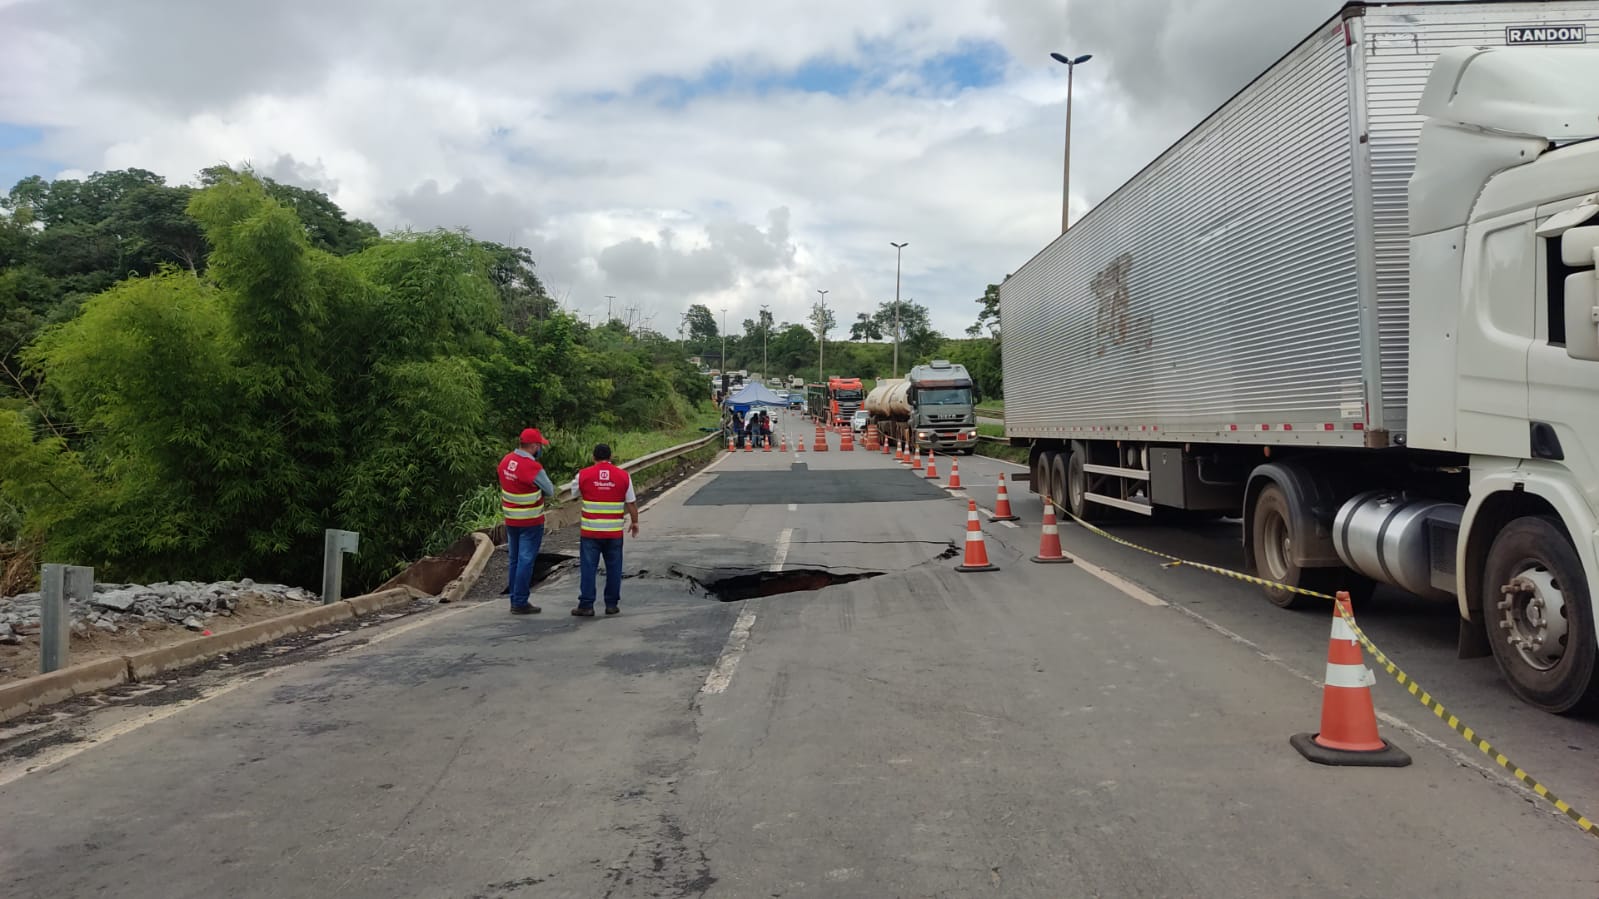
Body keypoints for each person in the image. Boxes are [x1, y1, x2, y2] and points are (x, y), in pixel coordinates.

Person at [573, 444, 640, 617]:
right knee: (614, 568)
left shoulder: (583, 475)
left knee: (588, 568)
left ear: (593, 457)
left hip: (590, 533)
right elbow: (631, 503)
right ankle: (611, 604)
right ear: (611, 457)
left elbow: (573, 493)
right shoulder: (624, 476)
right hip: (613, 533)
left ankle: (586, 605)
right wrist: (635, 522)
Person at [497, 427, 556, 615]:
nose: (540, 449)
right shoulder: (532, 467)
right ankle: (520, 601)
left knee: (514, 559)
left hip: (511, 520)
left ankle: (515, 597)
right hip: (530, 522)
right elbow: (550, 490)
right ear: (533, 446)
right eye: (539, 445)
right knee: (526, 560)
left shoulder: (506, 461)